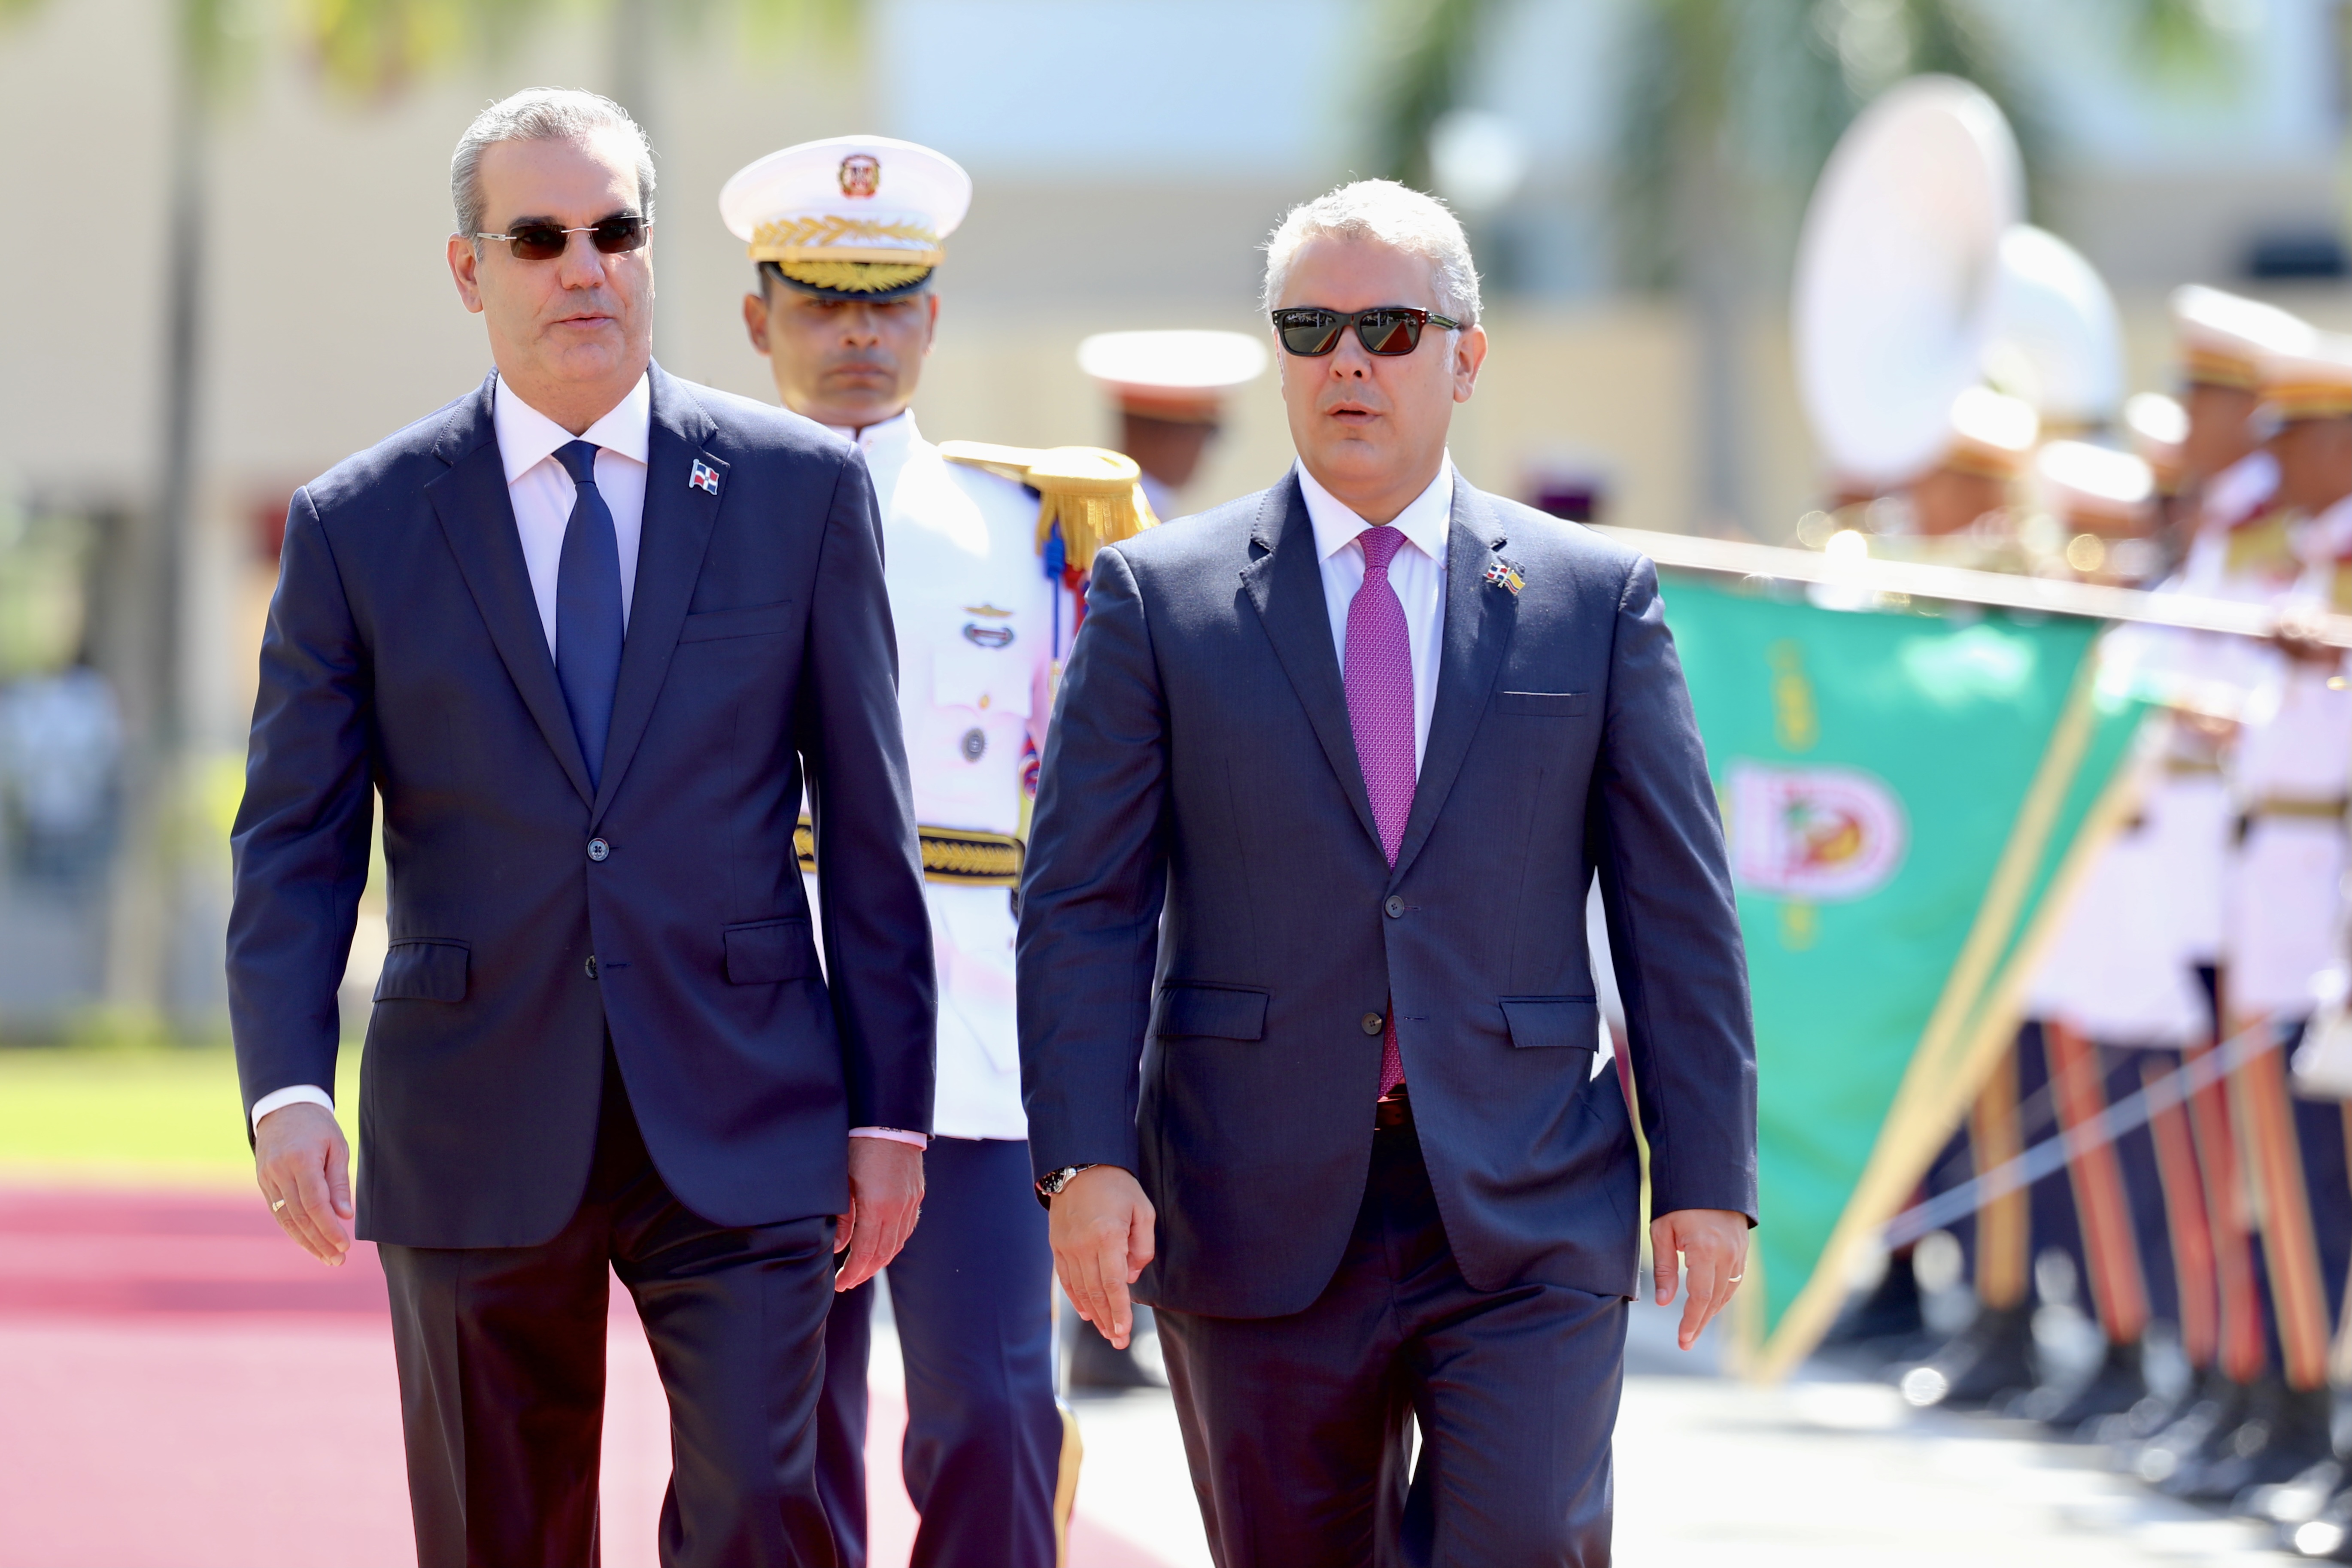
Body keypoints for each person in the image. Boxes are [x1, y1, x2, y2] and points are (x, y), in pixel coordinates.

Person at [227, 89, 936, 1568]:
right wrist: (287, 1082)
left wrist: (888, 1114)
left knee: (763, 1512)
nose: (585, 267)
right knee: (500, 1531)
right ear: (468, 268)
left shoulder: (796, 490)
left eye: (615, 232)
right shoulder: (360, 525)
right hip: (473, 1108)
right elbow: (295, 838)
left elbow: (871, 827)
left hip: (746, 1104)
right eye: (540, 238)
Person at [1017, 178, 1758, 1565]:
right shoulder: (1158, 598)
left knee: (1524, 1540)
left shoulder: (1590, 600)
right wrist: (1082, 1160)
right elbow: (1081, 904)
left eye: (1387, 327)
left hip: (1526, 1194)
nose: (1346, 358)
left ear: (1463, 357)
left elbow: (1674, 909)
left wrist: (1705, 1170)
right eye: (1310, 328)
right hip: (1249, 1196)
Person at [722, 134, 1137, 1566]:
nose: (858, 332)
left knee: (996, 1415)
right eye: (823, 301)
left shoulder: (1030, 533)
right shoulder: (691, 524)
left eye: (888, 300)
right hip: (752, 1027)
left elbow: (1097, 821)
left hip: (973, 1044)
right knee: (772, 1446)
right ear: (758, 318)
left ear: (932, 317)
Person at [1076, 328, 1268, 520]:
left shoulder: (1093, 509)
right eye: (1212, 434)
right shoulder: (1138, 519)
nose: (1207, 452)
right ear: (1170, 435)